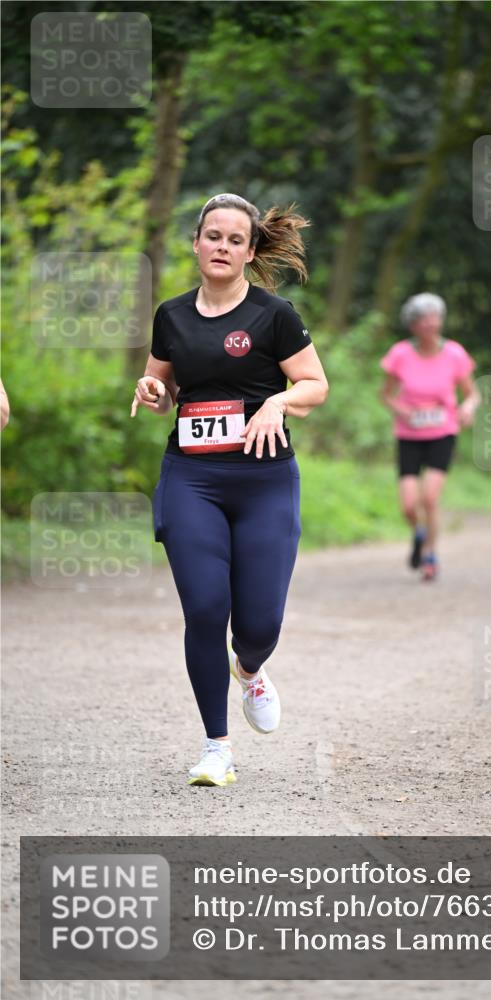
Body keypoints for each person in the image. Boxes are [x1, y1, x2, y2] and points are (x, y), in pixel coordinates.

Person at [130, 193, 328, 786]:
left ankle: (250, 669)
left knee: (260, 624)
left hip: (264, 479)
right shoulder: (171, 316)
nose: (222, 247)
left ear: (249, 251)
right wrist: (150, 391)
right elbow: (163, 385)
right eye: (212, 236)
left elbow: (315, 385)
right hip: (192, 477)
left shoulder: (274, 315)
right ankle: (217, 748)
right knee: (205, 609)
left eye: (234, 239)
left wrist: (278, 400)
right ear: (196, 243)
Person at [380, 293, 479, 581]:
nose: (431, 324)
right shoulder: (400, 354)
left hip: (442, 432)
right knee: (409, 505)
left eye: (435, 318)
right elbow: (386, 395)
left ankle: (430, 554)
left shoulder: (454, 354)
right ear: (412, 325)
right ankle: (420, 533)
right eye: (424, 319)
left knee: (430, 497)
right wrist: (402, 410)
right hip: (409, 435)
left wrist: (468, 407)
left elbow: (472, 393)